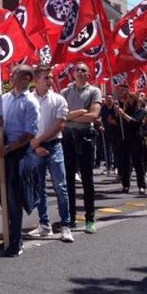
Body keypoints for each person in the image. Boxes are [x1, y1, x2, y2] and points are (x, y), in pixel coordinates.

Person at [0, 64, 39, 256]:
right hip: (3, 151)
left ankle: (16, 240)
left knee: (13, 197)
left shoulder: (30, 102)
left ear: (26, 79)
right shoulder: (4, 99)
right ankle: (9, 233)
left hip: (19, 152)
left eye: (16, 74)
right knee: (0, 190)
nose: (11, 76)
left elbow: (30, 133)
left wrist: (9, 148)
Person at [27, 65, 72, 242]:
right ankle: (44, 224)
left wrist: (39, 141)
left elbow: (59, 125)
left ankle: (66, 225)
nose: (50, 80)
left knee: (60, 186)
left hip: (54, 146)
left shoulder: (59, 99)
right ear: (36, 80)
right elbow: (25, 125)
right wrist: (35, 145)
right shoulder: (28, 99)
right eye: (46, 77)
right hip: (34, 147)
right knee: (39, 188)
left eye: (51, 77)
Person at [60, 63, 102, 233]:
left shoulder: (94, 91)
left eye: (83, 70)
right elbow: (61, 116)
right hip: (68, 137)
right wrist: (80, 112)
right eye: (77, 69)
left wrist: (71, 115)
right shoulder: (65, 92)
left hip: (85, 137)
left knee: (87, 180)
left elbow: (94, 115)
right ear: (73, 73)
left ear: (88, 74)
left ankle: (90, 219)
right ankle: (70, 218)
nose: (80, 72)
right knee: (68, 180)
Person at [115, 92, 147, 195]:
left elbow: (134, 122)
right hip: (126, 139)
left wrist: (123, 114)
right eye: (127, 98)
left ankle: (141, 185)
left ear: (134, 100)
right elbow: (119, 122)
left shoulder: (141, 111)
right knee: (125, 163)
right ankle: (125, 185)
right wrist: (118, 113)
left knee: (138, 163)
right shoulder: (126, 110)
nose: (128, 100)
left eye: (130, 98)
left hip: (136, 139)